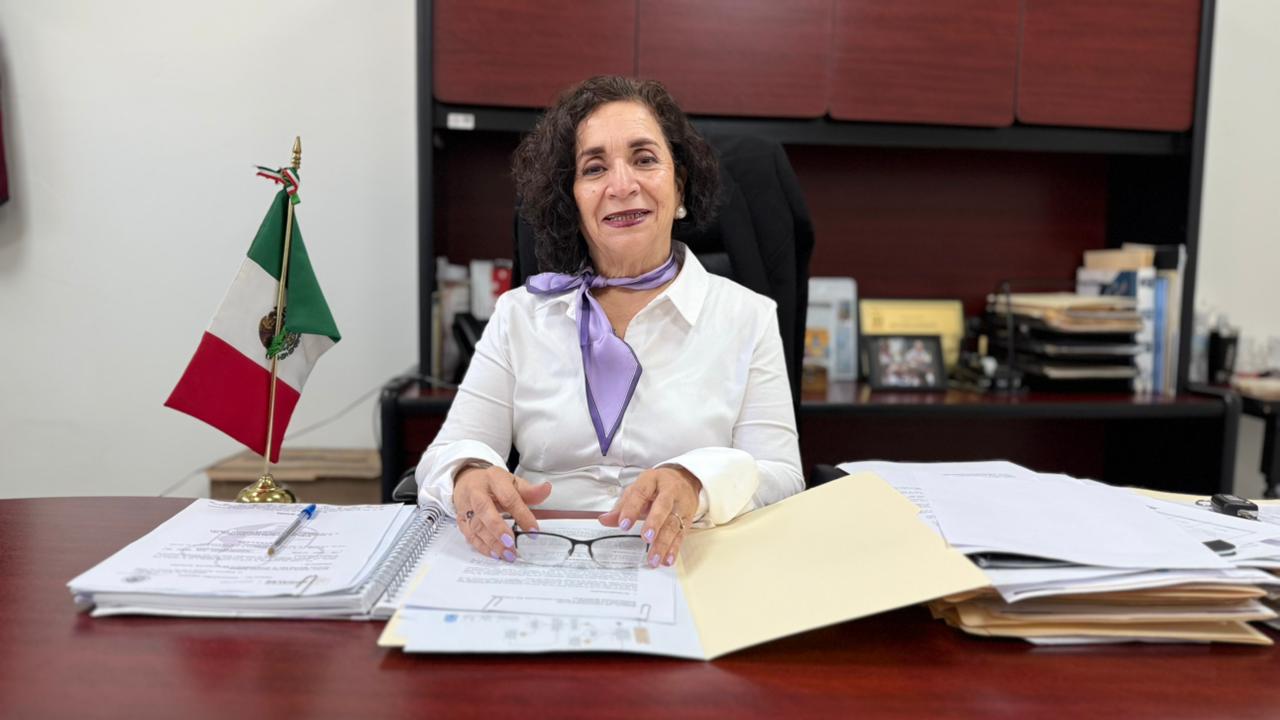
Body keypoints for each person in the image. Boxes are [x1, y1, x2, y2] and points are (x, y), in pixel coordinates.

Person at [415, 76, 803, 569]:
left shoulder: (749, 317)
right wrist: (466, 474)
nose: (622, 186)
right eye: (594, 168)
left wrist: (696, 482)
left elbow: (783, 477)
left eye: (645, 160)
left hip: (686, 562)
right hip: (537, 561)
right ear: (571, 199)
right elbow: (445, 454)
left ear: (679, 185)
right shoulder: (520, 314)